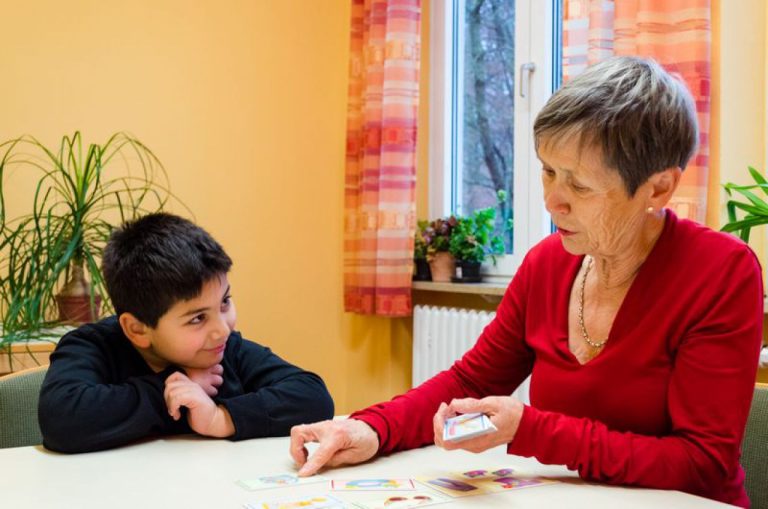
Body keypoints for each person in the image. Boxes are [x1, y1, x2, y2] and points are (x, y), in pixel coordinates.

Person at [289, 56, 764, 507]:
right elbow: (470, 379)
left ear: (658, 188)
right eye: (548, 171)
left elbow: (700, 463)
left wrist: (529, 428)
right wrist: (369, 429)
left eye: (579, 185)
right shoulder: (546, 264)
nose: (551, 200)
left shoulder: (721, 271)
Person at [39, 213, 334, 453]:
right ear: (138, 329)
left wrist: (221, 418)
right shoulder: (92, 346)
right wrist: (169, 388)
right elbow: (61, 418)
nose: (222, 329)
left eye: (225, 302)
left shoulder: (224, 348)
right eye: (197, 319)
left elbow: (313, 396)